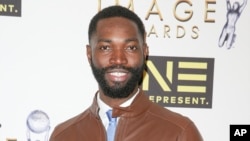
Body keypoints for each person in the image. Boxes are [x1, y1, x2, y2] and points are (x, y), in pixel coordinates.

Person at [49, 5, 203, 141]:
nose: (118, 60)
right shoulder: (63, 136)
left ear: (145, 52)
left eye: (130, 48)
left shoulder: (179, 133)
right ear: (89, 54)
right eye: (105, 48)